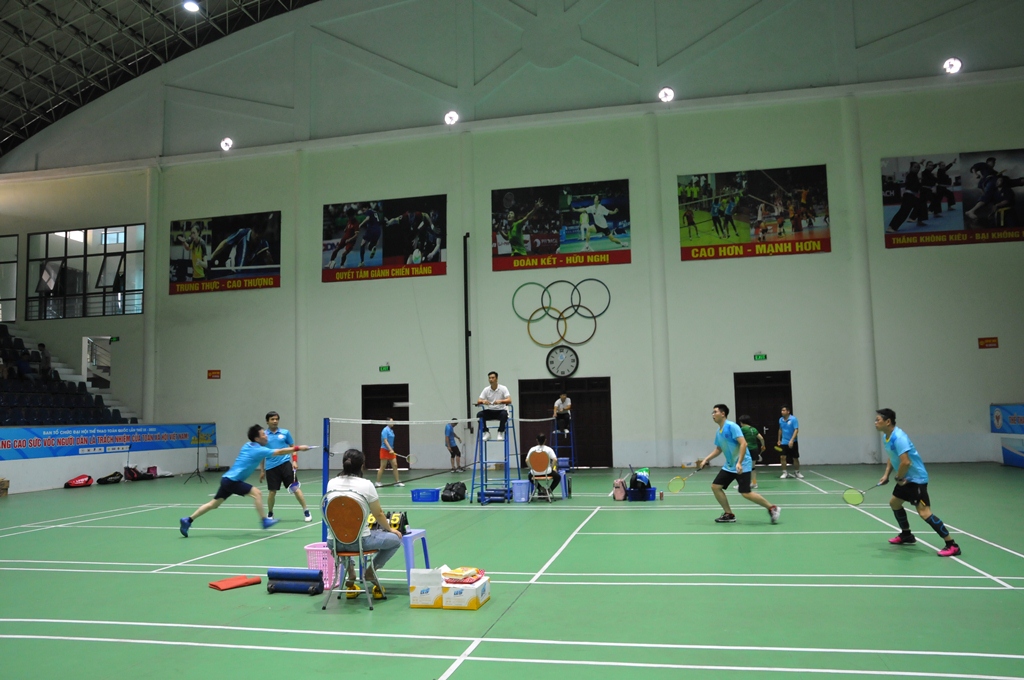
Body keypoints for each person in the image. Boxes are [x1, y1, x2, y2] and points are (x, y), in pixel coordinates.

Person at [179, 424, 309, 536]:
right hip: (233, 481)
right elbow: (280, 452)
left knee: (213, 504)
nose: (266, 436)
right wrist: (298, 448)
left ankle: (188, 520)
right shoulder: (258, 450)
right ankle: (264, 521)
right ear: (257, 438)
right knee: (257, 493)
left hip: (227, 479)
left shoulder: (248, 445)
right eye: (263, 434)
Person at [874, 408, 961, 556]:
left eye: (878, 420)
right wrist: (886, 474)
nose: (875, 422)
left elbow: (906, 462)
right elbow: (892, 455)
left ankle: (952, 545)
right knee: (894, 503)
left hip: (916, 479)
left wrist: (898, 477)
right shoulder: (886, 437)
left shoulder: (899, 437)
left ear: (888, 422)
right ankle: (906, 535)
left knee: (924, 513)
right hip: (905, 478)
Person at [326, 448, 404, 600]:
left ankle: (351, 571)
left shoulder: (331, 483)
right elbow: (378, 514)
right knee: (395, 540)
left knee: (343, 540)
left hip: (334, 543)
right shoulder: (366, 485)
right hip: (360, 543)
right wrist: (390, 529)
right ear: (362, 465)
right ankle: (371, 571)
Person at [698, 404, 780, 524]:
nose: (713, 414)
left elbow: (743, 443)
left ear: (723, 414)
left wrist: (740, 462)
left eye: (715, 412)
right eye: (713, 412)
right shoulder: (719, 432)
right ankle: (729, 514)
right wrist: (706, 459)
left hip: (743, 464)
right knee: (716, 487)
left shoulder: (732, 426)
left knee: (746, 493)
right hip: (730, 465)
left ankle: (772, 508)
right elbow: (718, 449)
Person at [258, 411, 312, 522]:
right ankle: (270, 513)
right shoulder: (264, 436)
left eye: (276, 419)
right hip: (271, 467)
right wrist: (262, 470)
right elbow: (261, 454)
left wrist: (295, 461)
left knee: (295, 488)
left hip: (285, 464)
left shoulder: (285, 433)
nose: (275, 421)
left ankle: (306, 511)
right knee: (272, 492)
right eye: (272, 419)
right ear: (267, 421)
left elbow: (293, 447)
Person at [476, 371, 511, 440]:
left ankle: (500, 432)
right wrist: (483, 401)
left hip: (500, 411)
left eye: (492, 378)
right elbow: (479, 401)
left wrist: (501, 401)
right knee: (479, 414)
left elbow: (509, 400)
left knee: (504, 414)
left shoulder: (503, 388)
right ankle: (486, 432)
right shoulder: (486, 389)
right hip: (490, 411)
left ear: (496, 379)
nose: (491, 379)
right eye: (489, 378)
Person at [738, 414, 765, 489]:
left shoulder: (742, 429)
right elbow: (761, 438)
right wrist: (763, 445)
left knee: (742, 466)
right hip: (755, 449)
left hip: (746, 450)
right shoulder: (754, 429)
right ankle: (754, 483)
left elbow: (738, 439)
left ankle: (743, 484)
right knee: (752, 467)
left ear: (742, 422)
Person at [375, 417, 404, 487]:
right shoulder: (385, 430)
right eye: (391, 421)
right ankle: (377, 482)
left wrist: (391, 450)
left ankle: (397, 482)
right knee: (383, 466)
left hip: (391, 450)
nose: (393, 423)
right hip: (384, 450)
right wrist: (390, 449)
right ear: (387, 422)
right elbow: (385, 440)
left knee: (395, 465)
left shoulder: (391, 430)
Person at [778, 405, 802, 479]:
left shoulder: (793, 419)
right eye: (781, 410)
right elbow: (780, 429)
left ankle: (797, 472)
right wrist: (779, 439)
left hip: (793, 442)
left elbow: (796, 430)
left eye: (784, 410)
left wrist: (792, 440)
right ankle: (784, 472)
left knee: (795, 458)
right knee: (782, 457)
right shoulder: (780, 420)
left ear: (788, 411)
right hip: (784, 442)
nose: (782, 412)